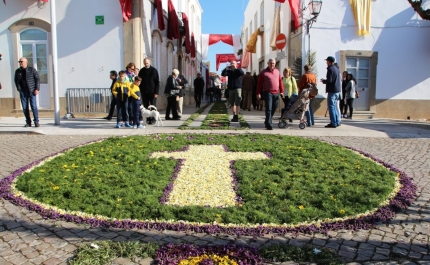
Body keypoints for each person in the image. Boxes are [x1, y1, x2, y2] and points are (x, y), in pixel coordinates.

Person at [256, 58, 284, 130]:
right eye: (271, 63)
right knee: (269, 108)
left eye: (273, 63)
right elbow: (259, 84)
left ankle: (267, 120)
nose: (272, 65)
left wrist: (282, 91)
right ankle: (269, 124)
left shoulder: (277, 72)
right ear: (268, 63)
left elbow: (280, 82)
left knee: (275, 106)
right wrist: (258, 93)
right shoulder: (263, 72)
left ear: (275, 64)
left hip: (276, 92)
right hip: (267, 92)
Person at [14, 57, 40, 127]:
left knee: (33, 106)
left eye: (21, 61)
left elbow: (37, 79)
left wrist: (37, 89)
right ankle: (28, 122)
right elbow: (16, 81)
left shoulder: (31, 70)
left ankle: (36, 121)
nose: (20, 63)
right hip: (23, 91)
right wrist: (19, 89)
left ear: (26, 62)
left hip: (31, 91)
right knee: (25, 107)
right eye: (19, 61)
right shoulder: (18, 71)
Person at [321, 56, 341, 128]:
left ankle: (333, 122)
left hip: (332, 90)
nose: (326, 62)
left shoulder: (330, 69)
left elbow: (330, 80)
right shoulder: (336, 68)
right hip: (337, 91)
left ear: (329, 61)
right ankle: (337, 121)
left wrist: (323, 81)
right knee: (334, 107)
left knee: (331, 107)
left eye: (327, 61)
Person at [138, 58, 159, 124]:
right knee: (146, 106)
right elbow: (139, 81)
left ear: (149, 63)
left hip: (152, 92)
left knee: (153, 106)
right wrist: (140, 91)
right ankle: (148, 119)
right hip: (144, 92)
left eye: (147, 63)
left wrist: (156, 92)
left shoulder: (154, 70)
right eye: (145, 63)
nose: (146, 64)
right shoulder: (141, 71)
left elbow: (157, 82)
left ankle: (153, 119)